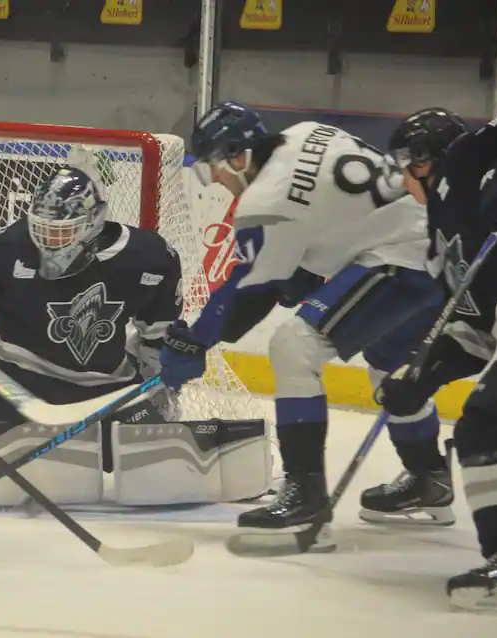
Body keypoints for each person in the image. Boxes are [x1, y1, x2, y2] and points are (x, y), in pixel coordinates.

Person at [0, 160, 269, 514]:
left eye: (60, 232)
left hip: (106, 392)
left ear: (92, 225)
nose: (47, 241)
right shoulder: (3, 248)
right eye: (41, 229)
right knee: (16, 484)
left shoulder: (149, 258)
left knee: (158, 478)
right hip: (17, 386)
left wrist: (159, 390)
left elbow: (157, 335)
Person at [158, 101, 445, 552]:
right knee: (388, 366)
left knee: (294, 346)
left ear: (238, 156)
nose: (213, 179)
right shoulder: (306, 131)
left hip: (402, 259)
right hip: (440, 248)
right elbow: (338, 210)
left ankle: (305, 499)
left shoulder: (265, 201)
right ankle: (430, 478)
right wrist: (305, 270)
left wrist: (194, 342)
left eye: (214, 165)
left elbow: (250, 293)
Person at [376, 108, 497, 609]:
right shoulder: (444, 225)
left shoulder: (469, 167)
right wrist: (426, 376)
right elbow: (475, 328)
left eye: (409, 163)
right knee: (484, 429)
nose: (403, 176)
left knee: (487, 425)